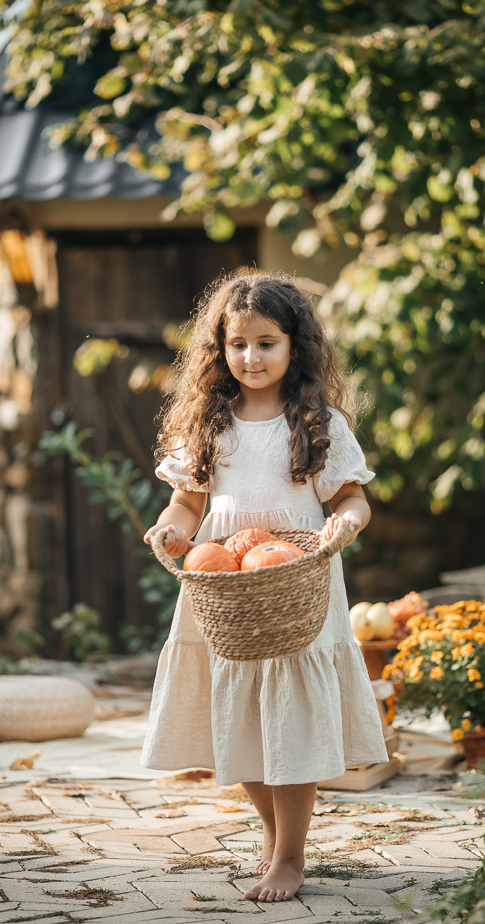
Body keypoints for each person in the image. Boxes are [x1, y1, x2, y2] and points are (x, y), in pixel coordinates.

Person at [142, 271, 387, 903]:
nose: (250, 357)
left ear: (295, 347)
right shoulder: (208, 422)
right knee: (242, 712)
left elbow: (353, 499)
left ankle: (291, 856)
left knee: (292, 715)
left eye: (266, 343)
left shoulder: (316, 420)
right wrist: (170, 530)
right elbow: (186, 505)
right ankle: (275, 836)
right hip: (225, 581)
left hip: (297, 578)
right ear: (219, 349)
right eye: (237, 344)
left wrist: (345, 523)